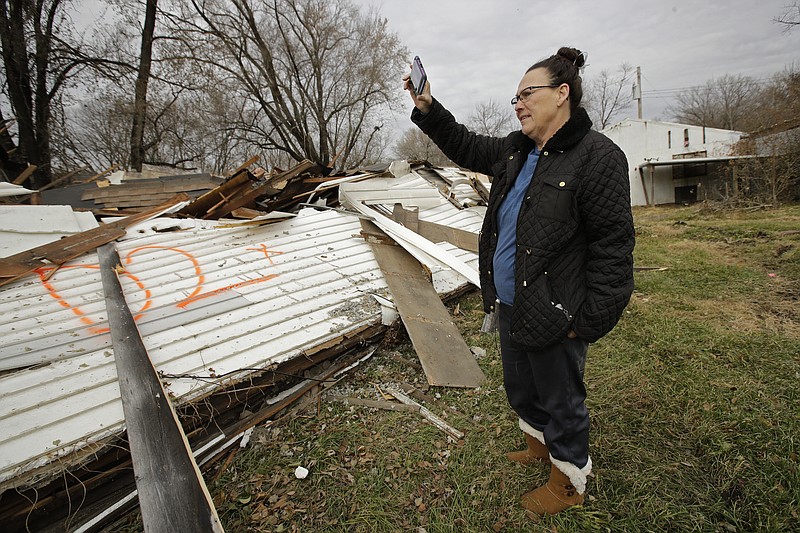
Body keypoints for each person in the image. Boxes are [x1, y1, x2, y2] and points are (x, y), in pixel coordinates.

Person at [404, 47, 635, 516]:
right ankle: (538, 447)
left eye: (528, 93)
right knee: (521, 389)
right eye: (515, 96)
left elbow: (614, 248)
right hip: (509, 303)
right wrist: (428, 108)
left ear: (562, 93)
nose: (518, 103)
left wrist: (586, 321)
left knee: (562, 401)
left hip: (557, 311)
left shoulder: (598, 157)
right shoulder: (516, 149)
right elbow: (465, 144)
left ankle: (569, 481)